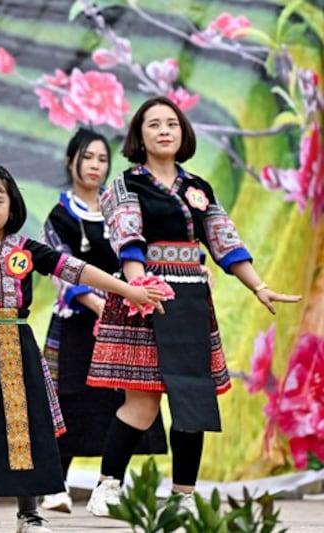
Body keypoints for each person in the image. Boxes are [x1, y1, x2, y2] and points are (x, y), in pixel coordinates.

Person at [0, 162, 167, 533]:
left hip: (18, 347)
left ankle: (29, 516)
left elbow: (75, 270)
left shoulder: (28, 250)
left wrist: (128, 290)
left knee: (26, 430)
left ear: (12, 205)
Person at [84, 96, 302, 517]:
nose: (164, 130)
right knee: (143, 405)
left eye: (172, 123)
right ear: (139, 136)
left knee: (192, 399)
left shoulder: (198, 188)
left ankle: (183, 496)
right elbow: (127, 239)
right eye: (154, 124)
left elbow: (224, 240)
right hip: (145, 299)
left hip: (190, 301)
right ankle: (108, 485)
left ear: (183, 133)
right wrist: (136, 287)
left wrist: (258, 286)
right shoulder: (125, 185)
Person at [39, 129, 167, 514]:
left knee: (124, 401)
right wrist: (98, 306)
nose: (95, 166)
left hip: (125, 322)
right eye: (88, 157)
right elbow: (60, 267)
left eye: (101, 160)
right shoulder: (60, 216)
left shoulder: (121, 211)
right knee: (68, 402)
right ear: (70, 161)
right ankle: (54, 486)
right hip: (77, 323)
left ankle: (108, 487)